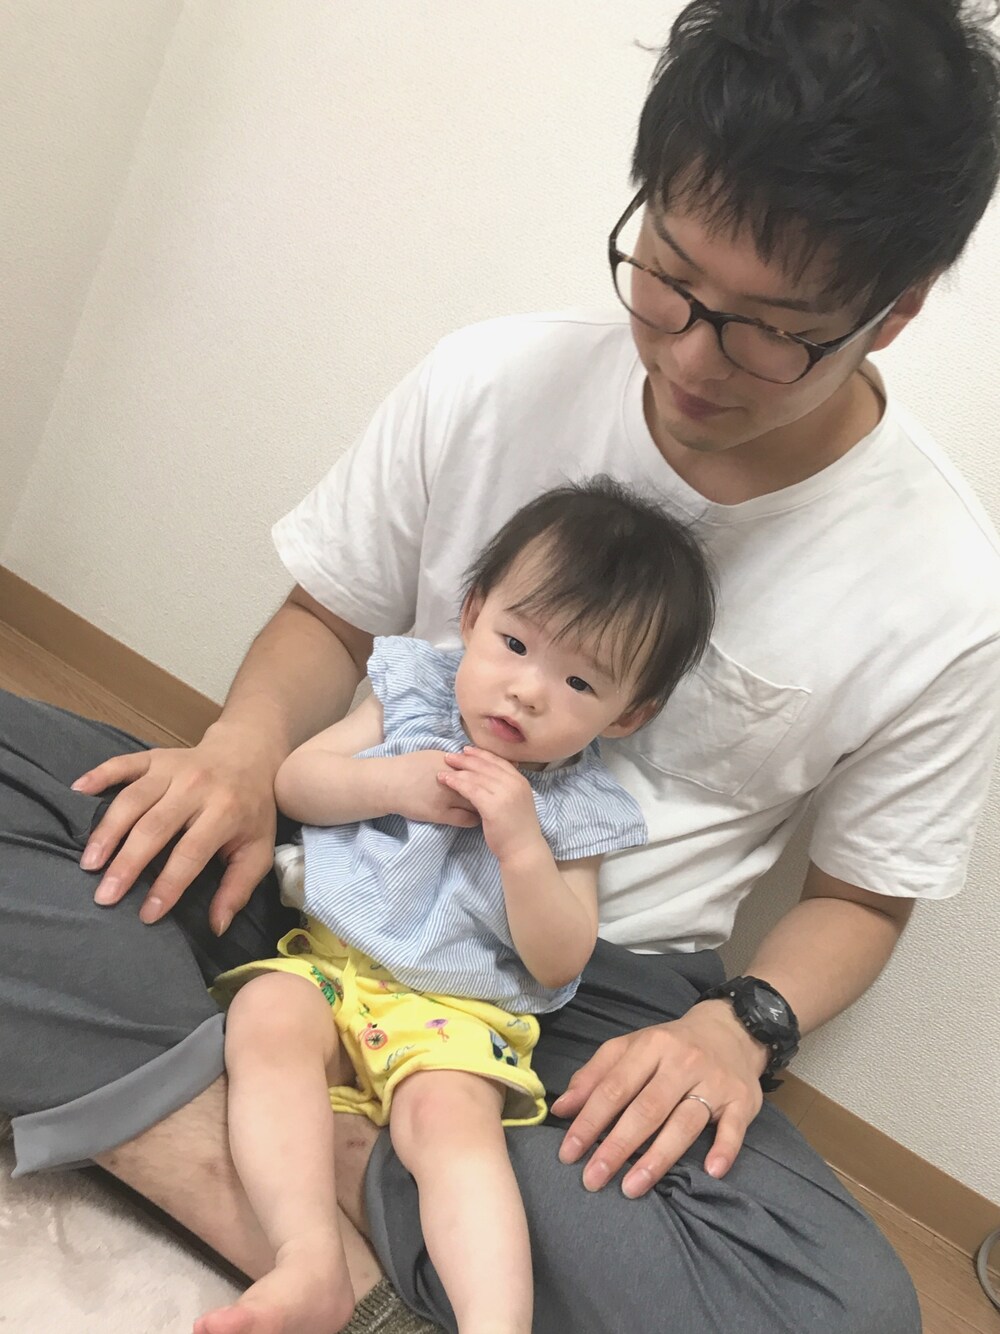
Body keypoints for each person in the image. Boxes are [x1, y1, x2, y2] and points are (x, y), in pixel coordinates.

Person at [3, 0, 1000, 1330]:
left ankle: (245, 1112)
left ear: (895, 309)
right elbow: (326, 619)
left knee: (843, 1310)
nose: (690, 351)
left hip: (571, 997)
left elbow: (861, 898)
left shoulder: (944, 584)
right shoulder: (490, 378)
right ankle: (347, 1222)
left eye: (770, 329)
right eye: (668, 274)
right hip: (320, 866)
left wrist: (738, 1027)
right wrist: (242, 750)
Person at [193, 480, 713, 1334]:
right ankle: (308, 1259)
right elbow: (297, 783)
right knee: (264, 1018)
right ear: (472, 615)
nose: (528, 691)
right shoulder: (410, 694)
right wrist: (389, 783)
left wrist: (523, 849)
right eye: (514, 643)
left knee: (451, 1124)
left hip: (457, 1011)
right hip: (332, 963)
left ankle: (494, 1323)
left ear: (631, 714)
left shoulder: (577, 808)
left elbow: (561, 955)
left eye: (579, 681)